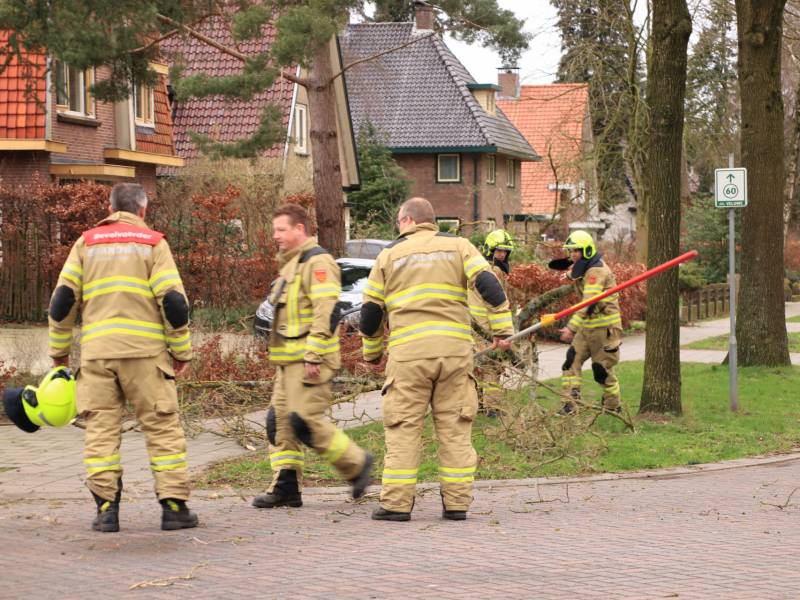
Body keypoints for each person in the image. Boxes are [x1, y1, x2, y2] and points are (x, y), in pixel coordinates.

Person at [48, 182, 197, 533]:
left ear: (110, 207)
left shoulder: (86, 243)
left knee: (100, 432)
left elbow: (62, 302)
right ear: (142, 210)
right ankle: (174, 509)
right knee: (162, 429)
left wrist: (59, 355)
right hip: (146, 356)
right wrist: (181, 351)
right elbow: (174, 303)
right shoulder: (153, 244)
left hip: (98, 356)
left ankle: (106, 511)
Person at [360, 198, 514, 522]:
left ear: (406, 221)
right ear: (432, 222)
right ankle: (457, 504)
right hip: (454, 354)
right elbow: (489, 285)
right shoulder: (459, 246)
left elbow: (371, 311)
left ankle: (397, 505)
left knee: (403, 429)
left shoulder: (388, 255)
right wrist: (502, 331)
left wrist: (371, 352)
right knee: (455, 430)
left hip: (407, 358)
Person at [252, 204, 373, 510]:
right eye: (274, 229)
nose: (275, 235)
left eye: (281, 229)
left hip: (308, 361)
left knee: (303, 422)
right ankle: (286, 484)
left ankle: (356, 464)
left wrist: (315, 353)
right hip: (287, 362)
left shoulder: (317, 262)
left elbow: (325, 310)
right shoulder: (292, 265)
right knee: (278, 423)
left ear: (299, 229)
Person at [558, 230, 622, 414]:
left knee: (601, 370)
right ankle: (570, 403)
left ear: (586, 251)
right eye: (571, 251)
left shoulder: (596, 271)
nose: (572, 255)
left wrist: (571, 328)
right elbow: (578, 276)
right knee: (571, 363)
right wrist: (569, 276)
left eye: (576, 251)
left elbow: (588, 303)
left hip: (604, 329)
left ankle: (612, 406)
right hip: (587, 328)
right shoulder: (586, 267)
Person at [468, 229, 515, 414]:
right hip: (486, 327)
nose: (502, 255)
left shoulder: (479, 269)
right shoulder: (493, 271)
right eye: (498, 251)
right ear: (490, 250)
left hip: (477, 326)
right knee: (492, 367)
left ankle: (478, 403)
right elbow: (497, 303)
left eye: (505, 251)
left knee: (478, 366)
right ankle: (493, 408)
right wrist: (501, 330)